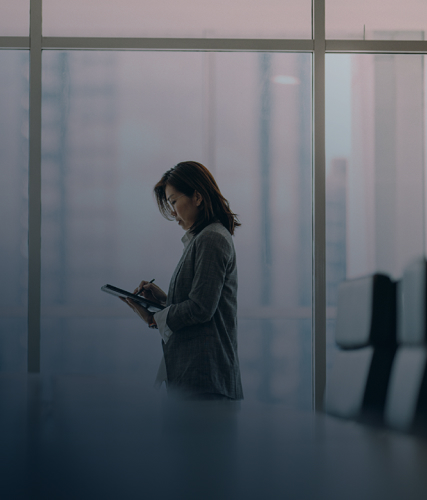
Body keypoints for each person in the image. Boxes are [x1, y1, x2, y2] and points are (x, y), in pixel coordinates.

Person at [121, 161, 244, 401]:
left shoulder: (211, 239)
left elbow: (200, 309)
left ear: (197, 197)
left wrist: (154, 318)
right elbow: (204, 302)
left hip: (206, 381)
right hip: (200, 380)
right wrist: (165, 300)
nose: (173, 213)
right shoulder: (204, 239)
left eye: (174, 201)